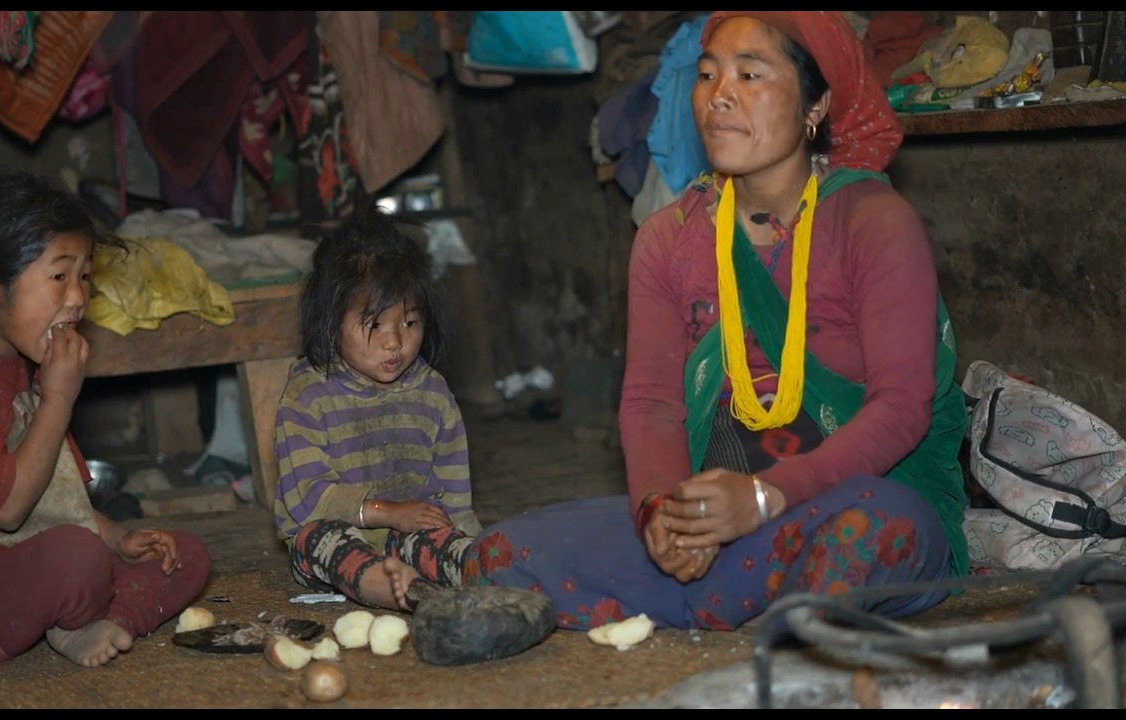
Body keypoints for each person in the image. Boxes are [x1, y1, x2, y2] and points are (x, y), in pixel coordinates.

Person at [467, 11, 970, 634]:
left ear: (815, 105)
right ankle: (748, 598)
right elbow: (651, 405)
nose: (719, 96)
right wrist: (663, 513)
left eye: (750, 75)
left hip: (844, 501)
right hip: (721, 517)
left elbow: (900, 408)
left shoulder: (872, 222)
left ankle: (713, 599)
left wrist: (764, 497)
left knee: (869, 531)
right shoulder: (668, 238)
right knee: (502, 552)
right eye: (706, 76)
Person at [0, 171, 213, 668]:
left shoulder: (19, 362)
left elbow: (56, 500)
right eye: (59, 277)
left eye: (85, 277)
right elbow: (10, 510)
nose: (77, 298)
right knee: (76, 557)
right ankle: (78, 617)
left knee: (184, 552)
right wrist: (57, 399)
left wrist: (119, 540)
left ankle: (107, 623)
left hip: (34, 563)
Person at [272, 203, 482, 611]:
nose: (394, 342)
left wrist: (462, 546)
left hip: (409, 538)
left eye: (410, 323)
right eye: (374, 324)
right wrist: (390, 513)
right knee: (318, 540)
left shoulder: (433, 394)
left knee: (455, 546)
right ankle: (407, 595)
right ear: (332, 321)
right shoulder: (308, 395)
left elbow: (456, 498)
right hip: (336, 537)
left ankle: (486, 579)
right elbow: (307, 500)